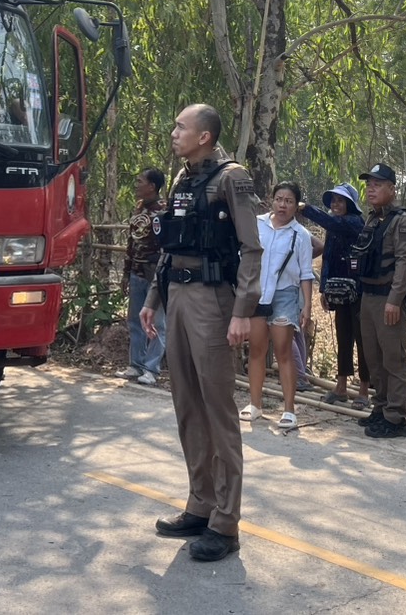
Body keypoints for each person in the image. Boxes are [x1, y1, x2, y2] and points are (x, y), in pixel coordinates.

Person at [141, 104, 263, 563]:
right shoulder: (182, 178)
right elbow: (171, 246)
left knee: (217, 410)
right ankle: (200, 504)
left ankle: (226, 523)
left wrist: (242, 312)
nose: (174, 133)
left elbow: (252, 249)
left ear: (205, 136)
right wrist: (153, 299)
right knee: (187, 405)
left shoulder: (232, 178)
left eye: (181, 127)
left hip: (213, 301)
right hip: (177, 295)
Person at [351, 163, 406, 439]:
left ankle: (396, 417)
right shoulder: (372, 219)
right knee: (373, 358)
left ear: (392, 189)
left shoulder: (402, 221)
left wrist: (395, 300)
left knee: (393, 358)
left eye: (377, 185)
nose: (371, 189)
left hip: (388, 298)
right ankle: (380, 407)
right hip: (368, 296)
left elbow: (404, 262)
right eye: (369, 185)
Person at [243, 181, 315, 430]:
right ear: (271, 200)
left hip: (285, 295)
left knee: (283, 351)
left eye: (289, 201)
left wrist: (307, 306)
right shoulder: (257, 224)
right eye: (279, 199)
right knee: (256, 349)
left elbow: (306, 273)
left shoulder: (300, 235)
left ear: (296, 206)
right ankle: (255, 404)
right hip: (258, 293)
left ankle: (289, 410)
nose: (283, 205)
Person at [299, 183, 369, 408]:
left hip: (358, 292)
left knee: (362, 339)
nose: (336, 204)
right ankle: (340, 387)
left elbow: (329, 222)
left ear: (350, 204)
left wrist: (305, 208)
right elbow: (327, 258)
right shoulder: (335, 225)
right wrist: (324, 289)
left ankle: (364, 391)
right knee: (343, 337)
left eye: (340, 201)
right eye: (333, 201)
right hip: (339, 292)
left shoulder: (354, 222)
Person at [120, 168, 167, 386]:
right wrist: (126, 272)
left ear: (152, 186)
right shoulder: (138, 209)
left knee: (157, 322)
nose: (136, 185)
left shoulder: (164, 211)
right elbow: (132, 243)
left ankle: (151, 369)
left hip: (155, 275)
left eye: (140, 181)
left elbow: (166, 244)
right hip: (136, 272)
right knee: (134, 320)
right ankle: (135, 364)